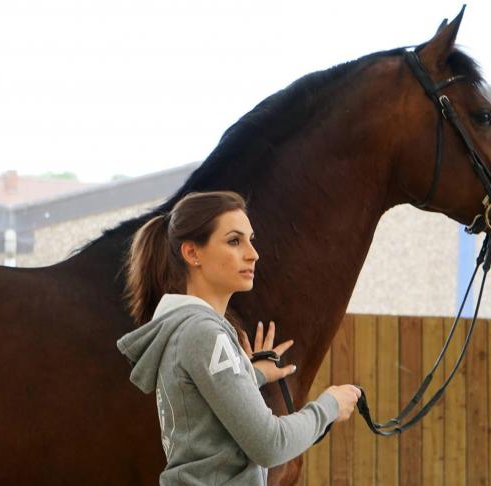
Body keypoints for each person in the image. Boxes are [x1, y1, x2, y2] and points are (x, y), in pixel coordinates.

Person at [116, 190, 361, 485]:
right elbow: (270, 444)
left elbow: (201, 406)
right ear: (193, 253)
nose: (253, 253)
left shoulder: (186, 328)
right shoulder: (203, 333)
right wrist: (329, 406)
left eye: (250, 239)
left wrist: (250, 373)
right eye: (234, 241)